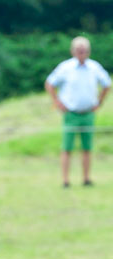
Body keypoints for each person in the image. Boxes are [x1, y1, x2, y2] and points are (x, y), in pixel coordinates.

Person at [45, 36, 110, 187]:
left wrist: (99, 102)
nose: (82, 53)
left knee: (87, 148)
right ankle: (65, 180)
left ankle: (86, 178)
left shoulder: (94, 67)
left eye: (84, 50)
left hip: (88, 113)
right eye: (79, 50)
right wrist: (57, 102)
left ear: (89, 51)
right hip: (71, 113)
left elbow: (107, 84)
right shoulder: (65, 67)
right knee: (67, 147)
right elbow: (50, 83)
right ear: (73, 51)